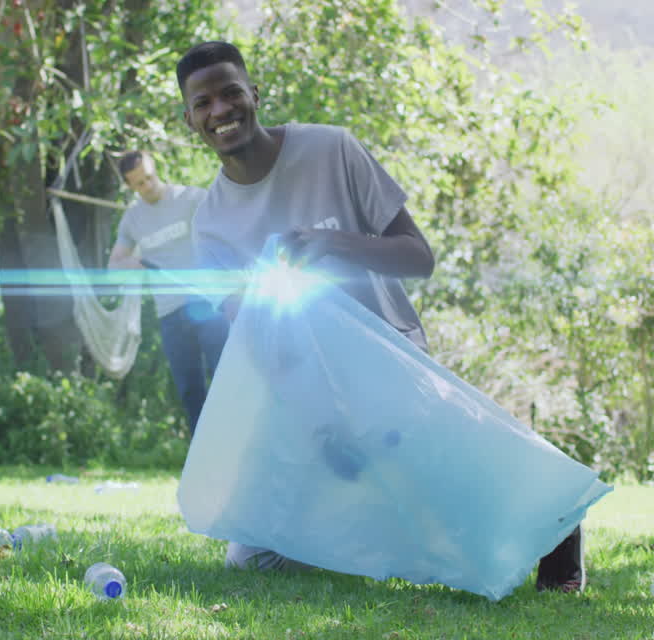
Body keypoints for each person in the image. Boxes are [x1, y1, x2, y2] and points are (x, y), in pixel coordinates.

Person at [176, 41, 587, 591]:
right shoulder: (210, 227)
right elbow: (254, 341)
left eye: (230, 92)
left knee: (450, 498)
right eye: (203, 103)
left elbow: (419, 258)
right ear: (190, 120)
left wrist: (332, 245)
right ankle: (366, 522)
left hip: (392, 369)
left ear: (255, 94)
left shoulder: (331, 150)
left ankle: (555, 516)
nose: (220, 110)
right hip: (308, 397)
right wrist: (319, 426)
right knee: (253, 560)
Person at [108, 150, 229, 433]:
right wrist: (135, 262)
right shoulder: (132, 220)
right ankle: (204, 456)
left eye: (149, 178)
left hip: (206, 304)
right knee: (189, 390)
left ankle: (243, 445)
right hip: (170, 314)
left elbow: (226, 231)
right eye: (139, 183)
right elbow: (114, 267)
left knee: (227, 378)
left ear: (155, 169)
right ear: (130, 186)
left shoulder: (192, 198)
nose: (147, 186)